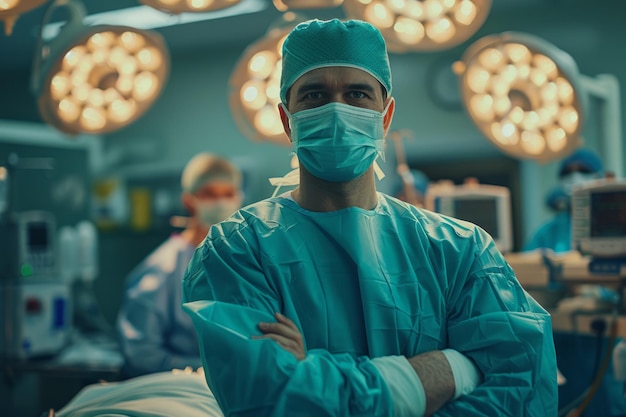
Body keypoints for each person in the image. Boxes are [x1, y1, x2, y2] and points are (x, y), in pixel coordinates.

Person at [182, 19, 557, 416]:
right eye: (314, 95)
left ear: (386, 114)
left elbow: (524, 390)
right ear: (286, 119)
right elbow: (268, 399)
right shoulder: (238, 251)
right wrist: (451, 368)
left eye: (357, 93)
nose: (337, 109)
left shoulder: (460, 251)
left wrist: (311, 371)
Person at [117, 153, 242, 377]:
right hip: (180, 387)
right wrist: (209, 370)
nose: (220, 202)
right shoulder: (163, 268)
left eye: (228, 193)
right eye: (209, 194)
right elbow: (142, 356)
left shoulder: (241, 259)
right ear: (189, 200)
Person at [525, 148, 603, 253]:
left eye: (583, 170)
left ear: (598, 178)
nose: (575, 177)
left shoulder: (612, 224)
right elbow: (524, 264)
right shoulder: (548, 232)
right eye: (567, 172)